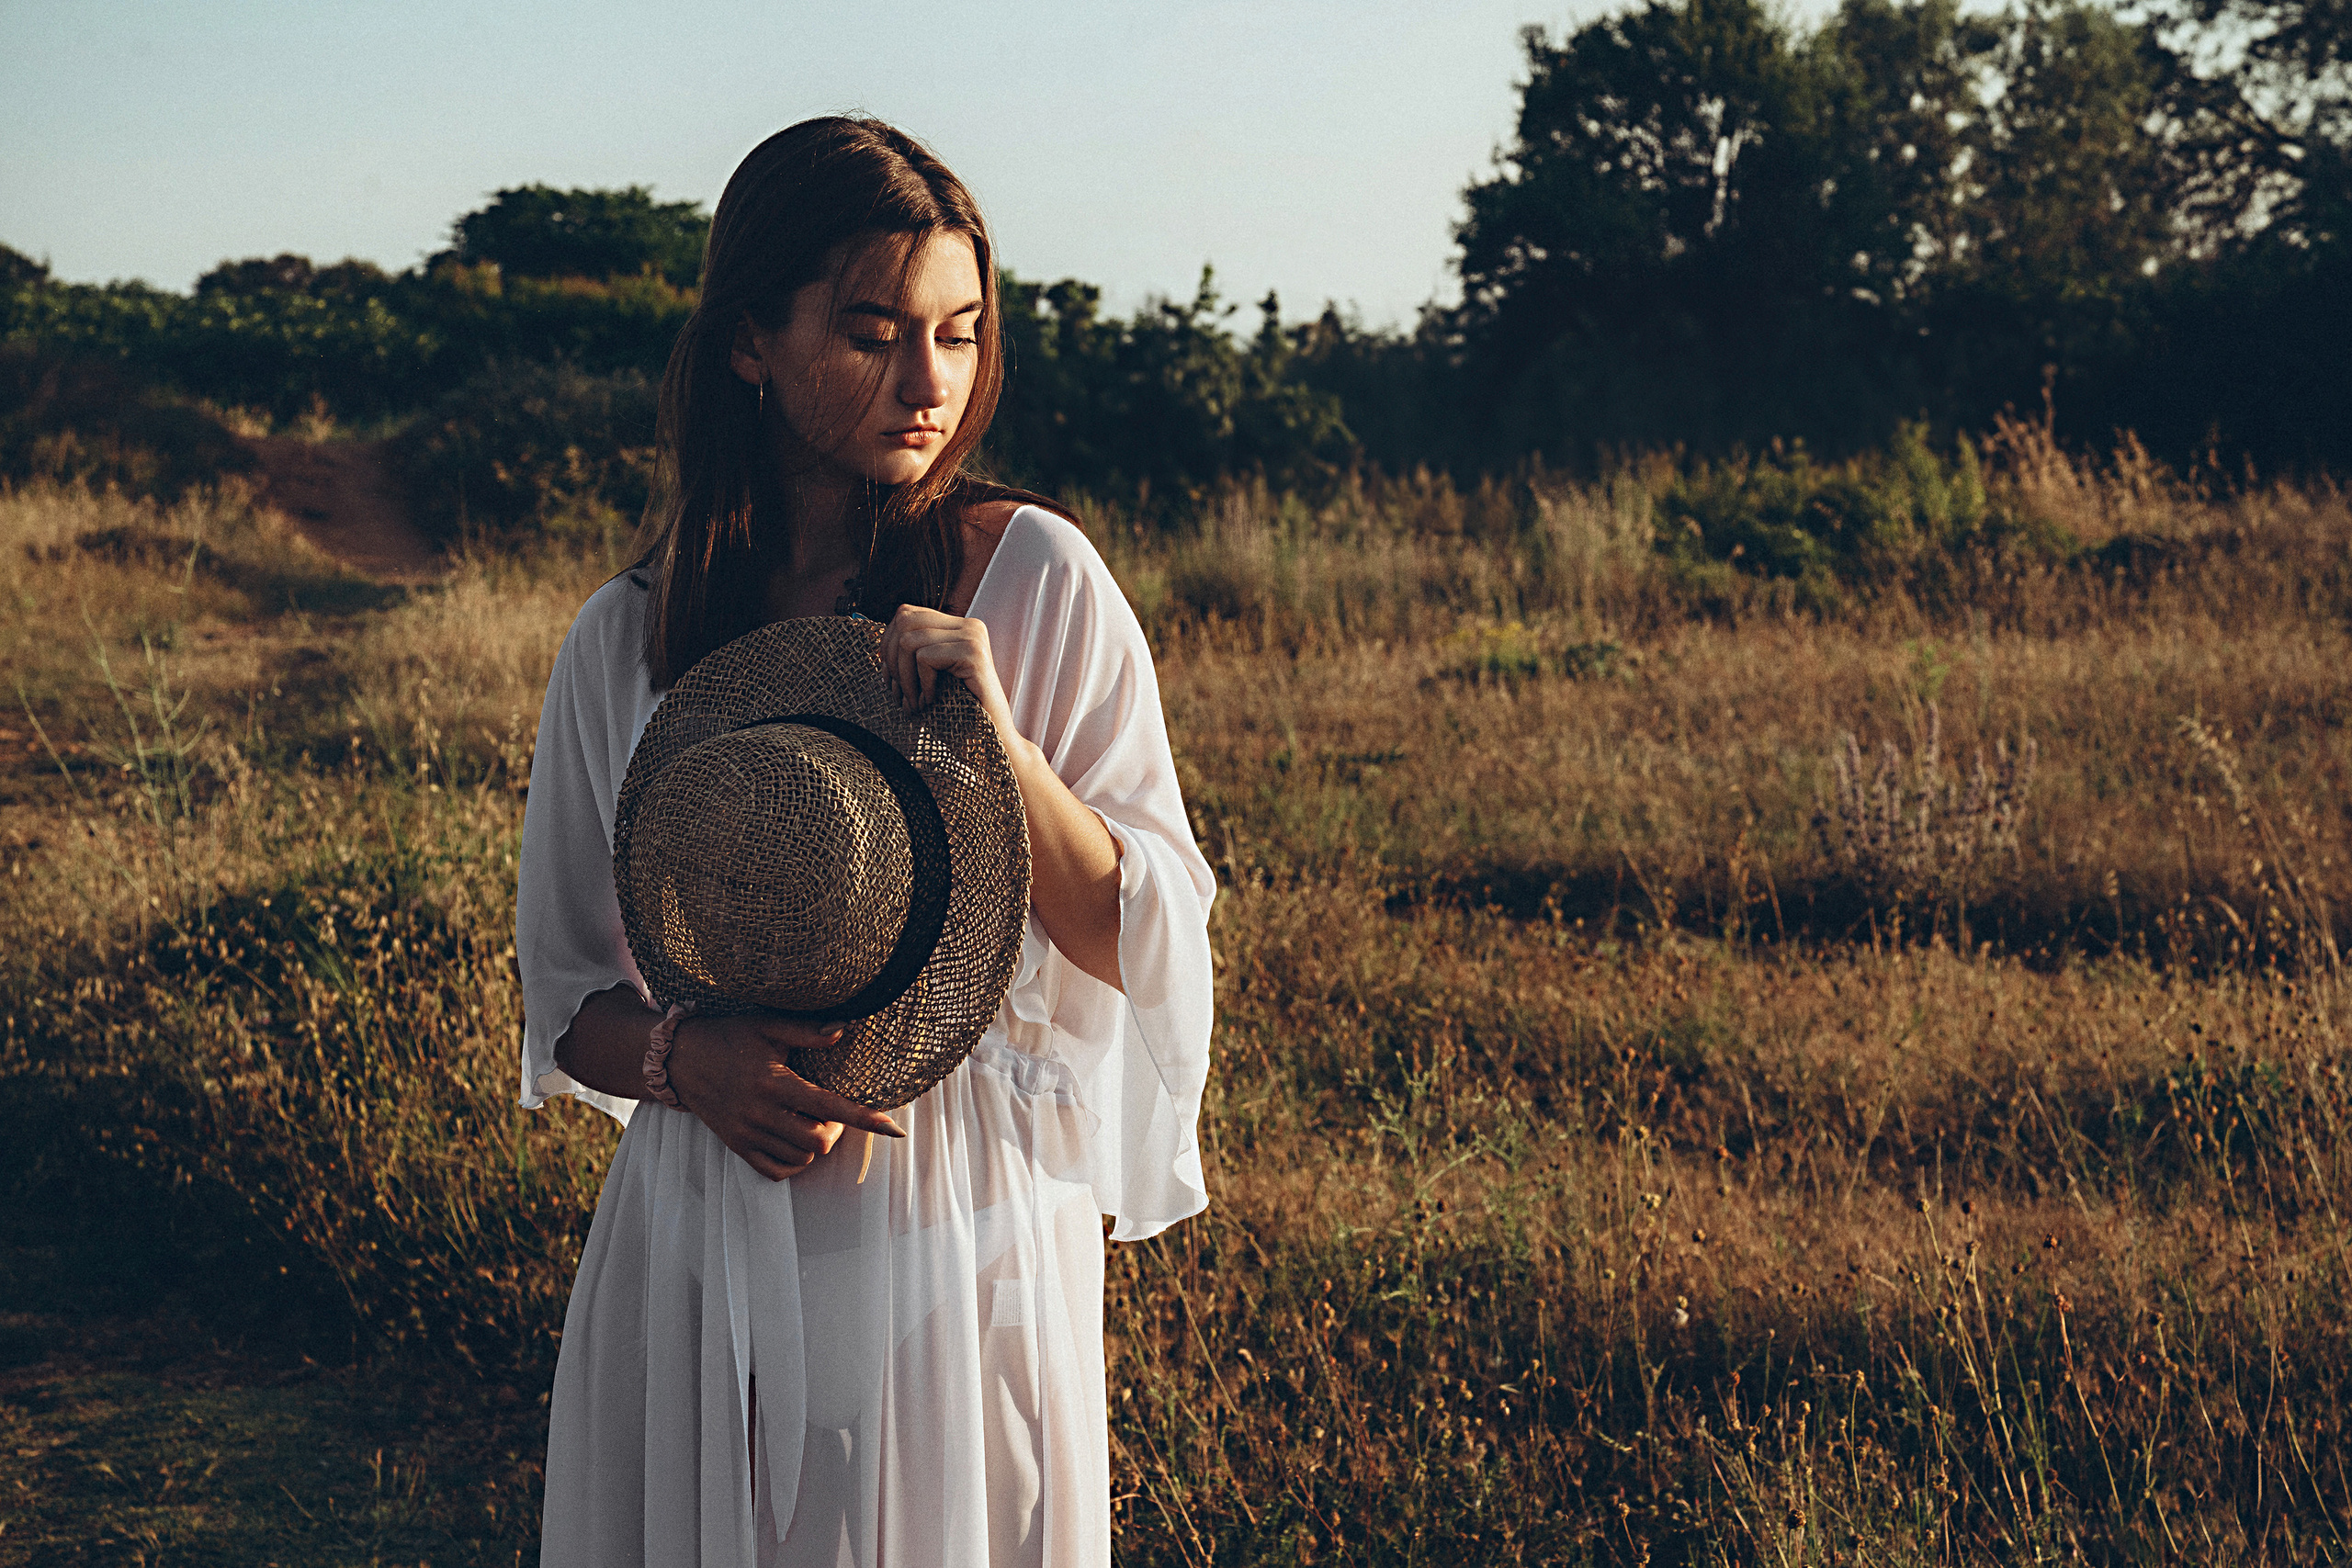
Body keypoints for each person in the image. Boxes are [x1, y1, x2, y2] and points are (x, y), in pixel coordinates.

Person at [514, 118, 1216, 1567]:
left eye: (959, 333)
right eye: (874, 331)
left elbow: (1138, 932)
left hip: (957, 1231)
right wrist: (679, 1062)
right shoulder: (627, 640)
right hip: (705, 1220)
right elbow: (566, 992)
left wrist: (998, 742)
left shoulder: (1037, 577)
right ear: (751, 346)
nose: (928, 384)